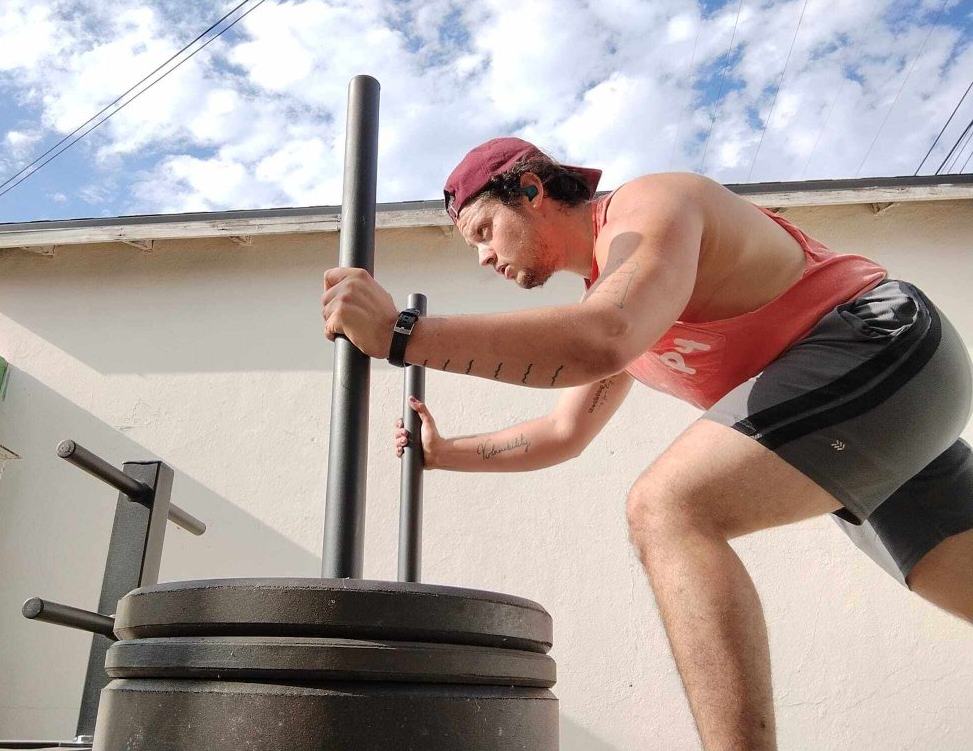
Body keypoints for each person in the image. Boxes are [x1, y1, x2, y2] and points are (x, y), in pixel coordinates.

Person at [321, 136, 973, 750]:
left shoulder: (648, 208)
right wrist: (446, 451)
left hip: (878, 342)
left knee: (668, 508)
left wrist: (402, 335)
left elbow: (599, 339)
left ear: (530, 190)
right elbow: (562, 433)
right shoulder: (612, 294)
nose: (485, 258)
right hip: (876, 418)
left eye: (484, 233)